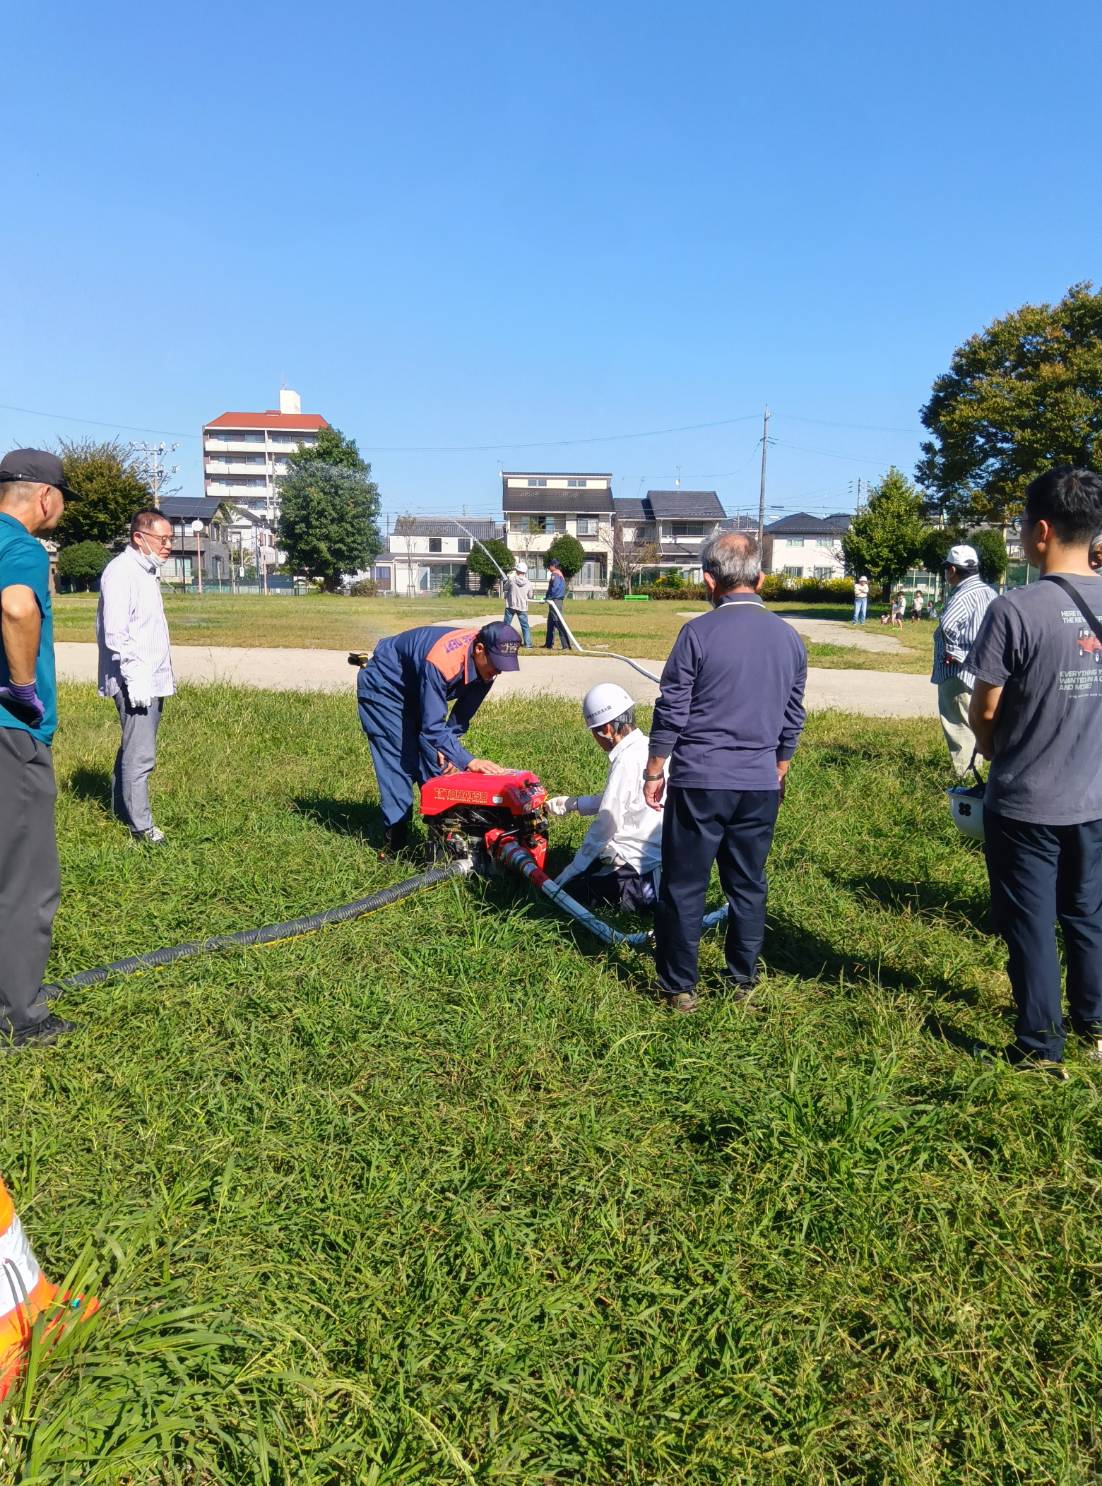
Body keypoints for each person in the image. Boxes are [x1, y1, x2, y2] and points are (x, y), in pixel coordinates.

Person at [967, 466, 1102, 1075]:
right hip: (1095, 798)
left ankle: (1040, 1046)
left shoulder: (1014, 610)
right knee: (1088, 912)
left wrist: (992, 747)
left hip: (1025, 800)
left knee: (1029, 923)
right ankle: (1094, 1021)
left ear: (1041, 530)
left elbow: (986, 707)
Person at [644, 532, 806, 1012]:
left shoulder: (697, 634)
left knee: (684, 884)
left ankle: (679, 987)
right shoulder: (789, 638)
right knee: (748, 884)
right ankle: (742, 981)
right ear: (760, 579)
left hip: (700, 779)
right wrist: (779, 767)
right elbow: (792, 714)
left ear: (708, 581)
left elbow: (672, 708)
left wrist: (655, 769)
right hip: (758, 782)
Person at [0, 449, 79, 1050]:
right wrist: (24, 687)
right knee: (27, 876)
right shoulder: (21, 547)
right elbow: (17, 605)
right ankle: (19, 1016)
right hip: (10, 733)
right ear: (45, 498)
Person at [357, 620, 519, 850]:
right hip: (386, 688)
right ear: (479, 649)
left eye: (504, 665)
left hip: (417, 688)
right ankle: (395, 848)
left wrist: (449, 751)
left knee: (439, 768)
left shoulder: (488, 669)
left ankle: (446, 844)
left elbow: (460, 718)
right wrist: (468, 761)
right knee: (401, 764)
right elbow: (432, 726)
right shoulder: (443, 661)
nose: (498, 671)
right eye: (496, 663)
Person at [546, 683, 663, 911]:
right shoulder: (649, 748)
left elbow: (607, 823)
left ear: (607, 729)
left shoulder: (625, 761)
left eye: (594, 732)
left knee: (573, 894)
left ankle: (644, 894)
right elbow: (622, 799)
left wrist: (575, 867)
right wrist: (572, 804)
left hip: (638, 862)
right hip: (663, 853)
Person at [97, 508, 176, 844]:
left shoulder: (145, 571)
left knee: (132, 747)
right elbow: (115, 634)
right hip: (135, 681)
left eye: (171, 539)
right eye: (163, 539)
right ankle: (142, 828)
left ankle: (122, 810)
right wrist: (136, 679)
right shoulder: (121, 572)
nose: (169, 545)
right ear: (139, 537)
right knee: (141, 754)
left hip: (150, 678)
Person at [929, 544, 996, 778]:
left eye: (947, 568)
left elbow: (948, 624)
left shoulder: (963, 594)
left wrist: (953, 652)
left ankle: (966, 775)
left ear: (953, 570)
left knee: (957, 722)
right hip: (983, 667)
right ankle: (980, 768)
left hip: (957, 669)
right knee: (977, 720)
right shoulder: (989, 592)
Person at [503, 559, 533, 647]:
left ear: (517, 570)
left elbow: (505, 588)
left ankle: (503, 642)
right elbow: (530, 595)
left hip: (511, 605)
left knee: (506, 625)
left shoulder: (511, 579)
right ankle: (528, 644)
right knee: (525, 626)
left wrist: (506, 581)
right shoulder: (528, 582)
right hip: (522, 606)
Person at [543, 559, 572, 650]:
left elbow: (554, 589)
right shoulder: (559, 574)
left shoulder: (555, 575)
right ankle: (548, 644)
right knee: (550, 623)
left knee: (558, 622)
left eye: (550, 565)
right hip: (555, 600)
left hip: (555, 601)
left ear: (553, 566)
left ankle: (566, 645)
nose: (549, 567)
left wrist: (548, 597)